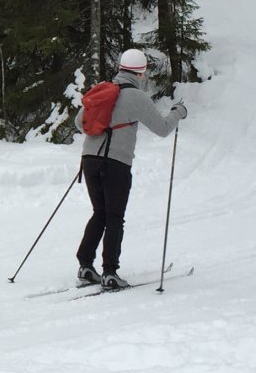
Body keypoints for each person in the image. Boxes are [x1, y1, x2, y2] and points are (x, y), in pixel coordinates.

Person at [74, 47, 186, 291]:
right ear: (141, 72)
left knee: (99, 212)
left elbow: (77, 121)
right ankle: (110, 273)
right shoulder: (137, 97)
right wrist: (179, 113)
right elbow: (163, 128)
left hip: (89, 160)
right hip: (115, 163)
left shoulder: (102, 89)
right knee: (114, 216)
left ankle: (85, 266)